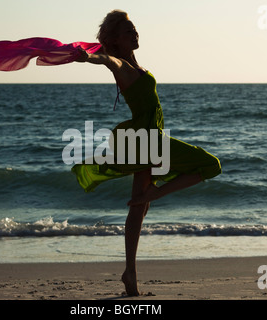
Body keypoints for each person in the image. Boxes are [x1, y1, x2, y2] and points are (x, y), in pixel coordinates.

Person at [74, 10, 221, 296]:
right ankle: (157, 193)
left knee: (139, 206)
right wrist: (89, 57)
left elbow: (110, 57)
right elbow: (105, 58)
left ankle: (130, 272)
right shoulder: (121, 65)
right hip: (147, 140)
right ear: (116, 40)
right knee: (211, 165)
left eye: (135, 29)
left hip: (146, 139)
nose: (135, 34)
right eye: (128, 31)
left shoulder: (134, 66)